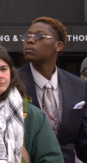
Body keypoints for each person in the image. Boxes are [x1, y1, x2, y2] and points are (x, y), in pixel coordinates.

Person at [18, 17, 87, 163]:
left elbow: (84, 143)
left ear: (59, 46)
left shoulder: (79, 86)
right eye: (27, 35)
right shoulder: (11, 83)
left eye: (39, 36)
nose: (29, 40)